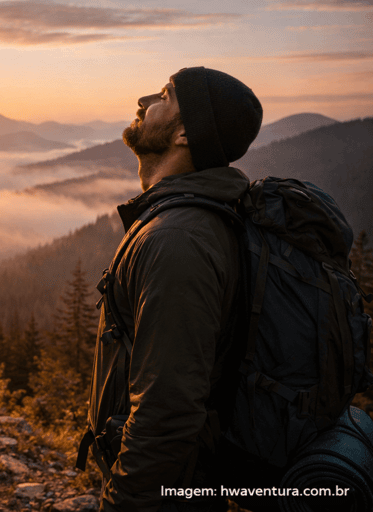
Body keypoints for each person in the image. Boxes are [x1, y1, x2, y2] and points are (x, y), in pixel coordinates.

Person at [88, 67, 265, 512]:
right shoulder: (186, 222)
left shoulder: (177, 240)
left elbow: (167, 411)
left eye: (165, 96)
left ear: (184, 134)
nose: (145, 100)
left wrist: (124, 502)